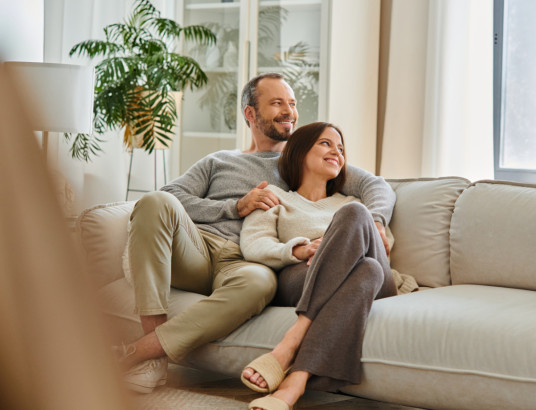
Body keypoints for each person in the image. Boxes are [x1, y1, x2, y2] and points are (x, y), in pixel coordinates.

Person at [116, 72, 397, 393]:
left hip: (247, 262)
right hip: (197, 249)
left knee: (260, 283)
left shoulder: (304, 159)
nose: (289, 111)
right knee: (155, 202)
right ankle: (153, 355)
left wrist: (376, 223)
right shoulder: (219, 161)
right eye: (277, 103)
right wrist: (236, 206)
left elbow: (376, 186)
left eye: (292, 104)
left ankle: (142, 352)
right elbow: (170, 194)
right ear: (250, 113)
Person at [239, 122, 417, 410]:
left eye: (341, 148)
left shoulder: (354, 204)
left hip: (380, 284)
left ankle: (289, 343)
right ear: (299, 151)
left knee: (357, 221)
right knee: (367, 270)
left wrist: (335, 246)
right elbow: (254, 244)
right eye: (326, 143)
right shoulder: (275, 197)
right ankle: (296, 382)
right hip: (302, 278)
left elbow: (381, 247)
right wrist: (300, 248)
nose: (336, 151)